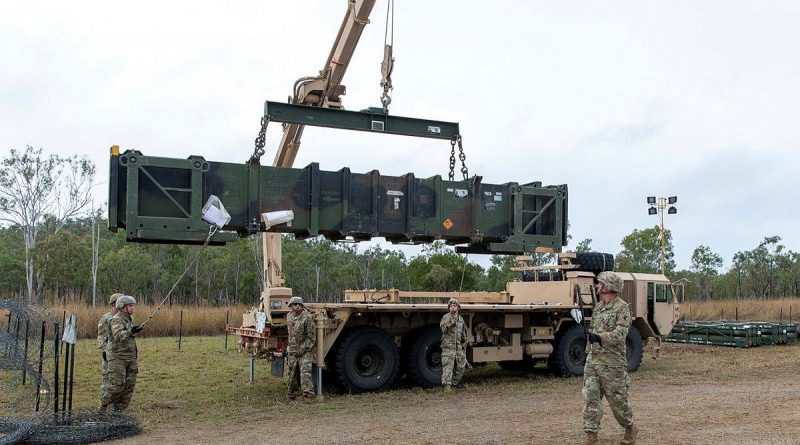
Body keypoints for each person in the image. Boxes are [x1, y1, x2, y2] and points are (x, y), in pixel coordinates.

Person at [583, 272, 638, 445]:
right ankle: (591, 437)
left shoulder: (622, 308)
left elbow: (621, 334)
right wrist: (590, 345)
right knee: (590, 397)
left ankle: (630, 427)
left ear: (609, 287)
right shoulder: (598, 307)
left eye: (600, 283)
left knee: (617, 401)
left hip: (612, 363)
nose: (597, 286)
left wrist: (600, 338)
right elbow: (592, 329)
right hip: (594, 361)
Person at [100, 295, 143, 411]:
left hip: (130, 358)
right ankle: (103, 407)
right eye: (130, 306)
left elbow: (128, 335)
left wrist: (134, 331)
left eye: (133, 306)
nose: (132, 308)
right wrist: (131, 331)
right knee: (117, 387)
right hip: (118, 358)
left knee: (128, 387)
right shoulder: (116, 319)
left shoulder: (129, 319)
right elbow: (118, 335)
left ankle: (118, 412)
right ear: (122, 307)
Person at [286, 296, 316, 400]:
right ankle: (291, 394)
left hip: (304, 351)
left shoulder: (307, 317)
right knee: (291, 373)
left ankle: (308, 395)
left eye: (299, 304)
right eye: (295, 304)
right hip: (292, 350)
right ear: (291, 306)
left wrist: (303, 349)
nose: (297, 306)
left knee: (305, 373)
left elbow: (311, 337)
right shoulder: (289, 316)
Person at [98, 293, 122, 405]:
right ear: (114, 304)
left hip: (121, 353)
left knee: (119, 378)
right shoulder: (106, 318)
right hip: (109, 352)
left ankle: (117, 402)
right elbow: (101, 335)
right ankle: (104, 402)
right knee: (107, 377)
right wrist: (103, 350)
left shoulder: (125, 318)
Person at [440, 298, 467, 392]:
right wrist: (451, 324)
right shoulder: (446, 317)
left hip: (458, 345)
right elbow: (443, 329)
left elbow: (463, 332)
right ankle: (447, 386)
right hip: (448, 345)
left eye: (454, 306)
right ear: (449, 308)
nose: (452, 308)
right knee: (448, 365)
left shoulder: (461, 319)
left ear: (458, 308)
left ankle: (454, 383)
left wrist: (464, 341)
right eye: (451, 306)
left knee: (462, 364)